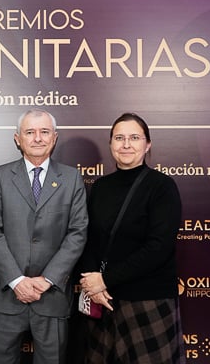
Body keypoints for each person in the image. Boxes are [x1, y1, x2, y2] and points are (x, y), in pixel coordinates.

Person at [78, 112, 186, 363]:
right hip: (104, 301)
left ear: (147, 145)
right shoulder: (100, 186)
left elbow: (158, 247)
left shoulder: (162, 186)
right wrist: (92, 284)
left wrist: (104, 280)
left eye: (134, 138)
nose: (126, 144)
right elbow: (88, 239)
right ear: (111, 144)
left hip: (148, 300)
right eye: (119, 138)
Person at [0, 108, 88, 364]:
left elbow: (77, 233)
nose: (37, 138)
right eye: (30, 132)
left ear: (54, 137)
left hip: (51, 296)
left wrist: (48, 279)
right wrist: (17, 280)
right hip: (5, 295)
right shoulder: (1, 176)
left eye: (44, 132)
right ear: (17, 139)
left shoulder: (72, 178)